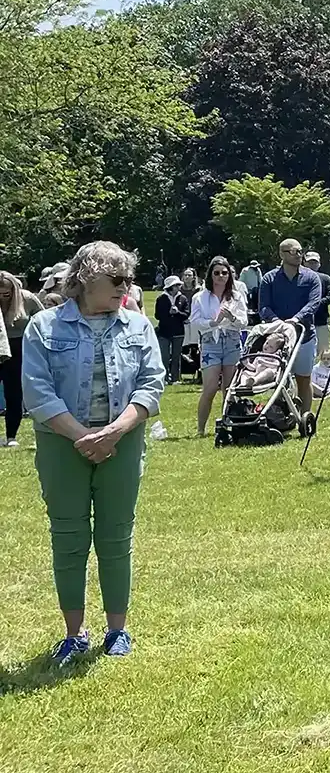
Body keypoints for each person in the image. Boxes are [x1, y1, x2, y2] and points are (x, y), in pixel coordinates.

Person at [21, 241, 165, 665]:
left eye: (129, 279)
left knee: (116, 537)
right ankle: (74, 633)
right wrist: (83, 435)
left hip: (123, 442)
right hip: (61, 444)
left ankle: (117, 630)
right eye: (117, 279)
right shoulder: (43, 327)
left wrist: (116, 432)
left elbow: (152, 384)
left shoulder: (138, 326)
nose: (126, 287)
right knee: (68, 538)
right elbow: (37, 390)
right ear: (86, 279)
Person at [259, 238, 323, 411]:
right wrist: (277, 322)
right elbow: (263, 306)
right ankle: (282, 416)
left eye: (300, 251)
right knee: (279, 380)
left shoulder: (311, 278)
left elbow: (314, 303)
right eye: (293, 251)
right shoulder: (269, 279)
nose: (298, 255)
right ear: (281, 254)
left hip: (304, 336)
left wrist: (295, 319)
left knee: (304, 379)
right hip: (279, 337)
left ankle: (305, 417)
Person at [190, 256, 248, 437]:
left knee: (230, 389)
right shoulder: (200, 297)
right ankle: (201, 429)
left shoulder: (236, 296)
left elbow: (244, 322)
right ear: (210, 275)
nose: (221, 276)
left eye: (225, 273)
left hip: (232, 341)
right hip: (210, 343)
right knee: (210, 387)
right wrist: (213, 323)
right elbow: (195, 321)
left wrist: (231, 317)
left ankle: (227, 423)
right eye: (217, 273)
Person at [0, 271, 45, 447]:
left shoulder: (28, 299)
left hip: (19, 348)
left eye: (6, 294)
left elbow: (44, 318)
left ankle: (11, 436)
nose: (3, 298)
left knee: (14, 393)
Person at [153, 275, 190, 384]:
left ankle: (175, 378)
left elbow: (186, 314)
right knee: (164, 356)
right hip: (164, 332)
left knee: (176, 356)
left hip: (178, 331)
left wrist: (177, 312)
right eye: (177, 285)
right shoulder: (161, 299)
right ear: (171, 287)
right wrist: (168, 313)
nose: (179, 287)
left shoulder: (182, 298)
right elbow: (157, 315)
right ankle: (164, 378)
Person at [303, 251, 330, 361]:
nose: (312, 265)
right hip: (304, 321)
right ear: (304, 263)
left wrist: (316, 303)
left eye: (314, 262)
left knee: (323, 351)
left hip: (321, 320)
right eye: (310, 262)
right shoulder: (300, 278)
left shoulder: (325, 278)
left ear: (319, 264)